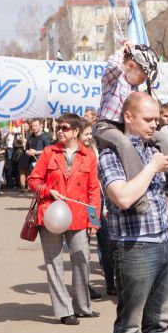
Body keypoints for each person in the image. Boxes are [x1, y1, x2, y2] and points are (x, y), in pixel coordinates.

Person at [98, 92, 168, 333]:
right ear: (128, 116)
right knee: (130, 328)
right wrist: (152, 168)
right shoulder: (111, 153)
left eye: (157, 119)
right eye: (148, 119)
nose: (155, 125)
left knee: (159, 324)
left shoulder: (153, 149)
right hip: (135, 247)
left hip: (164, 244)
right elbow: (122, 198)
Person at [27, 113, 101, 325]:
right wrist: (49, 191)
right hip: (50, 215)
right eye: (58, 127)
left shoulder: (88, 155)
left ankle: (83, 307)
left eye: (65, 128)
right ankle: (64, 310)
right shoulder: (49, 152)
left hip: (77, 216)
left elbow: (94, 190)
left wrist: (93, 221)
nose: (60, 130)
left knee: (82, 259)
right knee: (54, 263)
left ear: (76, 131)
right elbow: (33, 181)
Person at [93, 41, 159, 217]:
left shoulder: (135, 89)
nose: (143, 81)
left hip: (124, 127)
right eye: (142, 77)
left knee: (161, 138)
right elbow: (113, 66)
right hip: (106, 127)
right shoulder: (114, 79)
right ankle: (139, 193)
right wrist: (122, 50)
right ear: (130, 65)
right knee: (124, 143)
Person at [79, 119, 111, 298]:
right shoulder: (76, 154)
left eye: (91, 134)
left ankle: (111, 283)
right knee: (83, 246)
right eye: (86, 134)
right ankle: (84, 285)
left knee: (105, 240)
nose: (90, 137)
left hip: (96, 202)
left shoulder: (96, 150)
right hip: (81, 204)